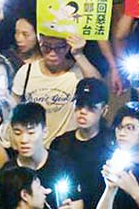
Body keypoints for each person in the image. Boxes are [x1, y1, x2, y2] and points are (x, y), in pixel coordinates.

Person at [11, 33, 101, 145]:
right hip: (32, 146)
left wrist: (79, 55)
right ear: (40, 43)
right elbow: (13, 109)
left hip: (65, 147)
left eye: (59, 47)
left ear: (68, 46)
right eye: (46, 47)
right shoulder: (27, 71)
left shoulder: (77, 73)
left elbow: (98, 87)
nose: (52, 53)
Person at [0, 103, 83, 209]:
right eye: (18, 133)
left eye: (31, 132)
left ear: (45, 131)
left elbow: (78, 202)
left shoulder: (63, 165)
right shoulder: (8, 174)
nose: (24, 140)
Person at [51, 77, 113, 209]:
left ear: (104, 110)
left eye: (91, 107)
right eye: (79, 105)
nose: (83, 112)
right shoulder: (60, 143)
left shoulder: (112, 145)